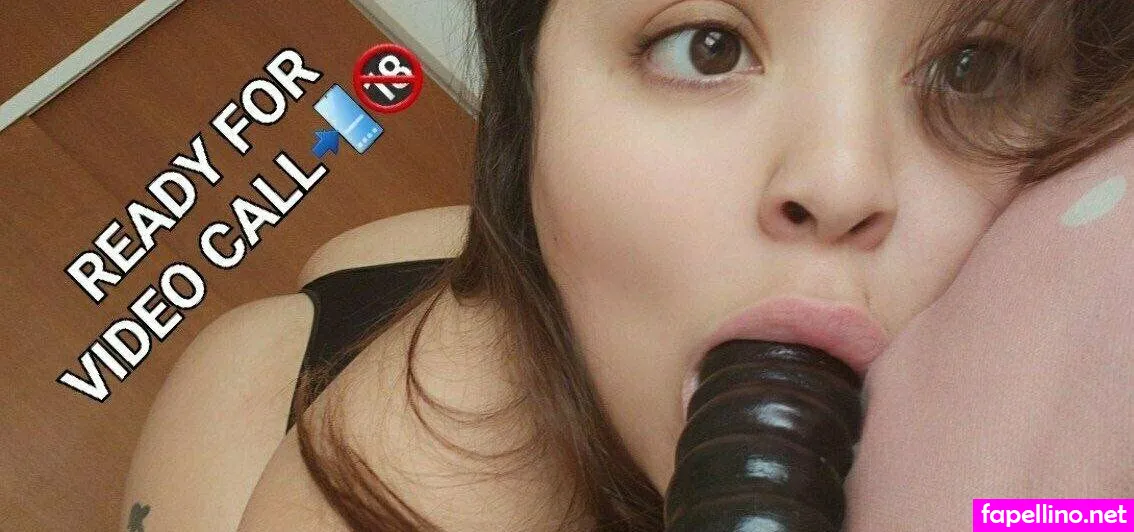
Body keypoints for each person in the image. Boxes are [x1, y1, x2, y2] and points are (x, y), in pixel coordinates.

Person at [122, 0, 1134, 530]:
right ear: (527, 107)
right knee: (258, 340)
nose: (839, 176)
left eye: (975, 67)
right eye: (706, 45)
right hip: (353, 362)